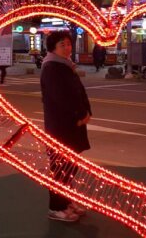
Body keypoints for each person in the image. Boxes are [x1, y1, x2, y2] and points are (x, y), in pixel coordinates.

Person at [40, 31, 92, 223]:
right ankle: (56, 208)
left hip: (72, 125)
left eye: (69, 44)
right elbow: (61, 98)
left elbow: (78, 92)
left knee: (70, 168)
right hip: (61, 127)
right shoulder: (52, 67)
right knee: (61, 169)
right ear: (53, 48)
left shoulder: (64, 65)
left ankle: (66, 202)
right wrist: (79, 114)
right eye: (62, 45)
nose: (67, 47)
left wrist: (87, 111)